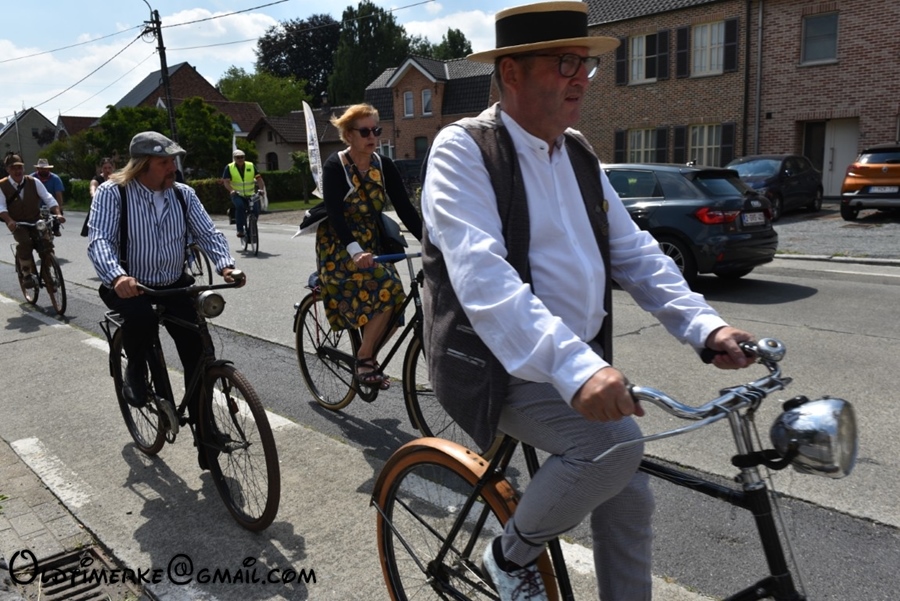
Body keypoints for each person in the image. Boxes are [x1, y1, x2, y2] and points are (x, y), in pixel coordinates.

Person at [419, 3, 754, 600]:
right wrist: (578, 369)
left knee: (630, 496)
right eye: (565, 63)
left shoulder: (576, 152)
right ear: (512, 73)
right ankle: (508, 557)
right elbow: (482, 277)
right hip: (497, 366)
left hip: (574, 364)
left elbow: (636, 253)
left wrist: (705, 327)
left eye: (586, 65)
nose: (582, 78)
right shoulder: (463, 150)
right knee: (613, 448)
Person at [87, 132, 243, 467]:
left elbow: (207, 233)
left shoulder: (183, 194)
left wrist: (226, 265)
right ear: (143, 165)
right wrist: (117, 276)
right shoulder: (114, 193)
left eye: (173, 161)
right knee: (141, 319)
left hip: (173, 283)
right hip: (129, 284)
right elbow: (99, 240)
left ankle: (206, 433)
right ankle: (135, 371)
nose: (173, 167)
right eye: (164, 162)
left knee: (199, 352)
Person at [317, 103, 423, 387]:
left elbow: (405, 209)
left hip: (373, 244)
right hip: (340, 246)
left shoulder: (384, 165)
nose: (372, 136)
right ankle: (364, 359)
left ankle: (366, 357)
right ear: (348, 135)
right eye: (365, 131)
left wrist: (431, 242)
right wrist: (354, 251)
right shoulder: (335, 166)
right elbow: (335, 215)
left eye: (376, 130)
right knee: (390, 288)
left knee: (396, 304)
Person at [1, 153, 66, 285]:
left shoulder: (33, 181)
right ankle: (26, 274)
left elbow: (48, 197)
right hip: (18, 222)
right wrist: (9, 220)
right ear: (8, 170)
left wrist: (58, 213)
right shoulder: (2, 185)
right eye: (13, 168)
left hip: (36, 220)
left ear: (23, 168)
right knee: (25, 242)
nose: (17, 171)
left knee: (46, 244)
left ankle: (48, 272)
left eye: (19, 167)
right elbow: (1, 206)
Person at [222, 149, 264, 238]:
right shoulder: (229, 167)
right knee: (240, 206)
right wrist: (231, 190)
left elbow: (259, 179)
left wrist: (261, 189)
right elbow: (226, 182)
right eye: (238, 157)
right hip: (237, 194)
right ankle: (240, 230)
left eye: (242, 157)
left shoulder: (251, 165)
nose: (240, 159)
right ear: (234, 158)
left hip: (251, 194)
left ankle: (252, 229)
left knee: (256, 210)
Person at [81, 157, 115, 237]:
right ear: (101, 169)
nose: (107, 170)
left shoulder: (116, 180)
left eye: (109, 168)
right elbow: (93, 188)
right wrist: (94, 195)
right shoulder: (97, 179)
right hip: (99, 208)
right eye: (105, 168)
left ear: (113, 168)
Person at [32, 158, 64, 235]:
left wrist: (59, 207)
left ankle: (56, 229)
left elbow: (58, 194)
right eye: (41, 169)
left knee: (57, 215)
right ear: (37, 169)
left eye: (45, 169)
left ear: (48, 169)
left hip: (51, 205)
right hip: (36, 205)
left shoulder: (55, 179)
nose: (43, 170)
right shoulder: (32, 178)